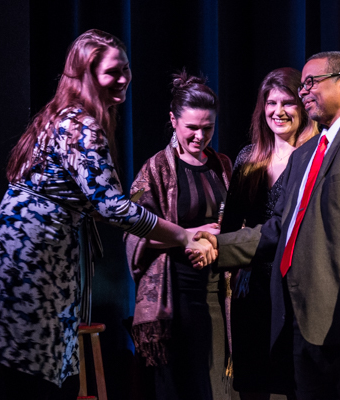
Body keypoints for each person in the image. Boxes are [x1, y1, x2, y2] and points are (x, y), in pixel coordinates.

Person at [0, 30, 214, 400]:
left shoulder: (67, 117)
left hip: (25, 262)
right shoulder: (80, 125)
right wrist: (182, 235)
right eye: (112, 72)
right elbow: (111, 206)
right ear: (86, 75)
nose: (123, 79)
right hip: (26, 266)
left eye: (126, 70)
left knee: (38, 381)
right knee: (31, 384)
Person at [192, 51, 340, 399]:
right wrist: (218, 246)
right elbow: (280, 229)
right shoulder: (308, 154)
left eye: (310, 83)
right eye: (300, 86)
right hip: (312, 321)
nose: (303, 93)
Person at [125, 70, 234, 400]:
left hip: (219, 290)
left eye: (208, 127)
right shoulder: (155, 168)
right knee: (181, 385)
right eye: (192, 128)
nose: (201, 136)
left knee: (215, 382)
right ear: (173, 120)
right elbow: (137, 236)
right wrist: (193, 233)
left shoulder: (223, 165)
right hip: (177, 292)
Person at [220, 67, 317, 400]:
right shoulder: (248, 159)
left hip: (297, 287)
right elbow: (230, 228)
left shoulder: (317, 156)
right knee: (253, 387)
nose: (278, 111)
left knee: (297, 385)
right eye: (271, 102)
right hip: (253, 291)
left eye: (287, 102)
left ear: (303, 105)